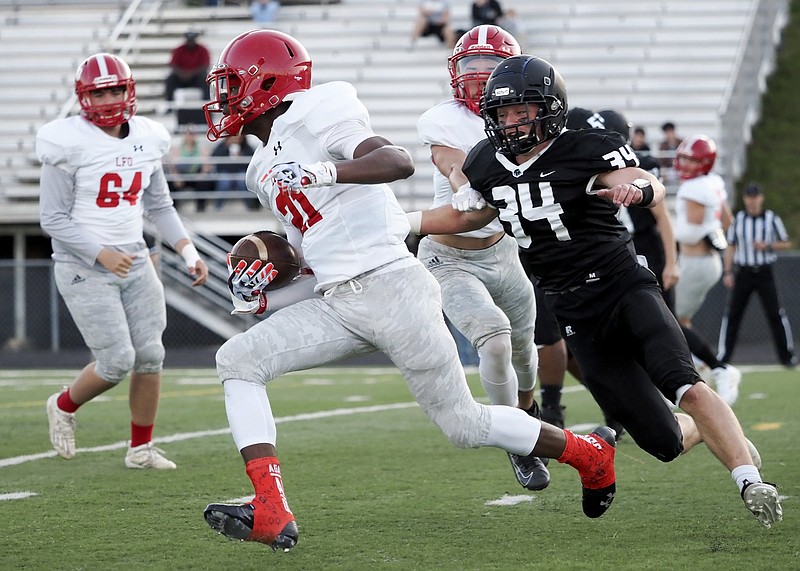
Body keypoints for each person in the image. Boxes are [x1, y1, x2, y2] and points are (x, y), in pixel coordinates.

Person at [200, 29, 618, 552]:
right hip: (340, 300)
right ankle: (270, 507)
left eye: (234, 84)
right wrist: (262, 283)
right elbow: (308, 246)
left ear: (267, 81)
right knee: (238, 359)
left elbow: (395, 161)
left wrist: (321, 169)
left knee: (464, 425)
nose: (226, 97)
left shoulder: (319, 106)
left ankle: (587, 454)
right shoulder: (259, 168)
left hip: (394, 286)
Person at [409, 54, 782, 529]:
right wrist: (409, 223)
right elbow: (471, 217)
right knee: (663, 442)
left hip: (624, 287)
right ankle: (709, 429)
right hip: (574, 311)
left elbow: (641, 181)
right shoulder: (486, 159)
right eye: (502, 113)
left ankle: (749, 481)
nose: (511, 122)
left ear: (549, 108)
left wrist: (639, 192)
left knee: (683, 380)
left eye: (521, 111)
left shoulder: (586, 147)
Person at [38, 53, 209, 469]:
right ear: (84, 98)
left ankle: (140, 449)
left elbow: (160, 205)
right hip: (84, 266)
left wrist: (188, 251)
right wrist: (100, 253)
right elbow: (52, 218)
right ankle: (63, 405)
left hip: (135, 257)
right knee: (117, 361)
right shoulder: (68, 142)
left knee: (151, 354)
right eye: (100, 93)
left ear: (129, 90)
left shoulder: (147, 137)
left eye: (116, 89)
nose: (110, 99)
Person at [416, 24, 549, 491]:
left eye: (488, 68)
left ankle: (527, 414)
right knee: (492, 341)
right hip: (448, 258)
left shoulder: (525, 117)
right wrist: (464, 188)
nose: (477, 77)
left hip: (505, 252)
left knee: (525, 355)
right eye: (469, 67)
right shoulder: (441, 117)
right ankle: (519, 443)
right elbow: (450, 160)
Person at [672, 134, 742, 405]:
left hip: (696, 263)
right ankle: (699, 369)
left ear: (703, 162)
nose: (685, 164)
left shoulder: (694, 189)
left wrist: (666, 229)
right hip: (707, 262)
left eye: (691, 160)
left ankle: (718, 368)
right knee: (682, 320)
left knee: (670, 321)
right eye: (685, 158)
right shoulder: (712, 183)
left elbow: (690, 232)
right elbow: (727, 219)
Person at [719, 183, 796, 367]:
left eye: (755, 197)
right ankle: (723, 357)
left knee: (776, 314)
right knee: (733, 315)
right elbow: (731, 246)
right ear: (745, 199)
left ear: (761, 198)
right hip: (743, 272)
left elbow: (786, 243)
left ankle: (787, 357)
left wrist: (767, 246)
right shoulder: (738, 220)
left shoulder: (771, 219)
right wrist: (728, 271)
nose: (752, 201)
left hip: (764, 272)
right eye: (749, 197)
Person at [166, 129, 214, 212]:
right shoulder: (178, 149)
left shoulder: (201, 148)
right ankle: (173, 209)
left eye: (192, 134)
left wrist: (201, 175)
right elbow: (172, 166)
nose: (190, 137)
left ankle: (201, 208)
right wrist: (176, 177)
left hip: (196, 176)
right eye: (188, 134)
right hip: (182, 176)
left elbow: (207, 165)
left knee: (203, 183)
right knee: (171, 183)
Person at [210, 133, 259, 210]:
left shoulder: (245, 146)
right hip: (225, 171)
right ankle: (218, 207)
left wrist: (241, 155)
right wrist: (226, 146)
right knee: (224, 183)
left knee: (243, 183)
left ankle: (249, 206)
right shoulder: (223, 145)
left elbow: (252, 158)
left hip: (240, 171)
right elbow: (214, 156)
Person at [165, 30, 211, 101]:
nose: (190, 41)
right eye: (189, 39)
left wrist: (191, 74)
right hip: (181, 77)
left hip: (196, 78)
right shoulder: (178, 50)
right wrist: (182, 74)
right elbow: (173, 65)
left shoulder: (203, 50)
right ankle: (170, 104)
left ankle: (206, 104)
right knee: (170, 80)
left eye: (192, 39)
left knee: (206, 80)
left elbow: (205, 66)